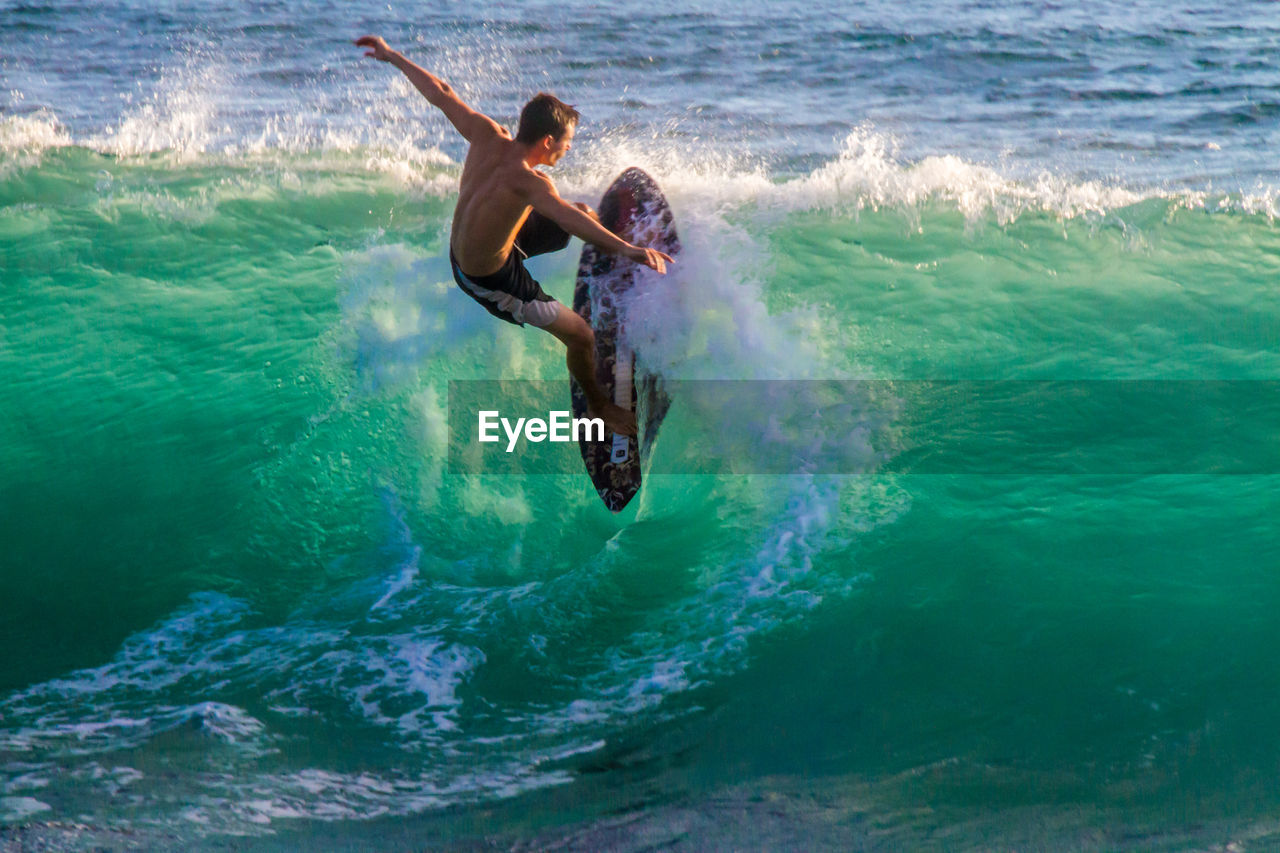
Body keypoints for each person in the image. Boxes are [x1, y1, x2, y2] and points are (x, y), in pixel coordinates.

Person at [355, 35, 674, 437]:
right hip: (488, 279)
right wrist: (630, 250)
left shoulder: (487, 133)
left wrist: (392, 56)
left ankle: (604, 250)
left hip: (485, 241)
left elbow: (442, 93)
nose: (567, 151)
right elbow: (564, 219)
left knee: (578, 212)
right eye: (566, 144)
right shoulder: (531, 184)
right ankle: (599, 409)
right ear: (547, 142)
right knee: (580, 336)